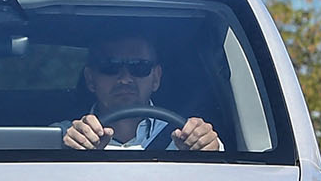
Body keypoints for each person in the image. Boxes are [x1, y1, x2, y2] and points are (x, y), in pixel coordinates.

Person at [60, 34, 224, 152]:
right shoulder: (62, 138)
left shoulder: (188, 137)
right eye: (110, 66)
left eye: (139, 66)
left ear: (156, 78)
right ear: (90, 79)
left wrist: (210, 148)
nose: (125, 79)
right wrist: (65, 155)